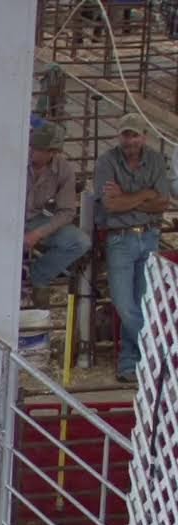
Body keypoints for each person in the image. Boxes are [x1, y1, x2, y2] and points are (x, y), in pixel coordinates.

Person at [93, 112, 172, 385]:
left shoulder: (157, 160)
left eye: (134, 135)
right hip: (121, 239)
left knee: (138, 302)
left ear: (144, 136)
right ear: (120, 136)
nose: (130, 140)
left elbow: (163, 203)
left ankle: (130, 365)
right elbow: (109, 205)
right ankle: (161, 355)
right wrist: (146, 195)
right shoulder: (107, 161)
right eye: (126, 134)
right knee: (125, 304)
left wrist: (127, 198)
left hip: (148, 236)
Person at [24, 122, 91, 309]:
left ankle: (40, 275)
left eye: (38, 148)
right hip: (8, 218)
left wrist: (39, 233)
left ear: (51, 152)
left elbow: (67, 211)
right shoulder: (15, 159)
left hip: (37, 219)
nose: (32, 151)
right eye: (32, 146)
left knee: (80, 242)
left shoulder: (63, 169)